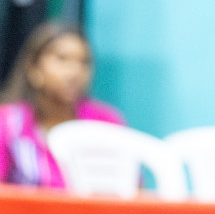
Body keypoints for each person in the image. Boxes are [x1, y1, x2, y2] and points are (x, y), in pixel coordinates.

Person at [0, 22, 124, 187]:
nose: (75, 71)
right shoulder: (8, 123)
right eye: (62, 59)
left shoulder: (105, 122)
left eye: (84, 62)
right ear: (33, 68)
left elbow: (130, 189)